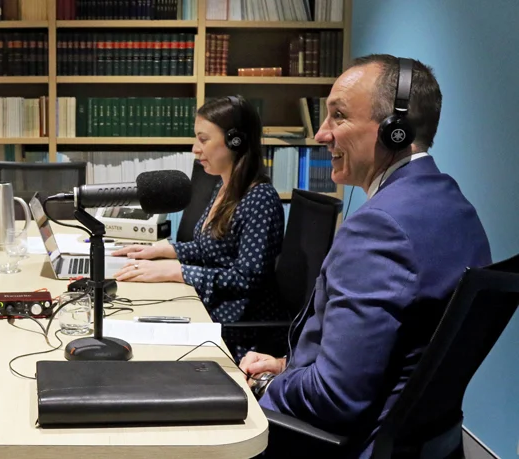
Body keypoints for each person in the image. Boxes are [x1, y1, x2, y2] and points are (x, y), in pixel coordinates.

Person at [239, 55, 492, 458]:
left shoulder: (380, 228)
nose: (322, 135)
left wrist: (264, 387)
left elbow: (335, 398)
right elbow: (389, 358)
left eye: (338, 117)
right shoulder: (456, 207)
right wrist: (289, 366)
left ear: (395, 131)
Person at [112, 96, 286, 359]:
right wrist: (166, 250)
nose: (195, 148)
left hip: (236, 330)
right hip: (209, 308)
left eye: (204, 139)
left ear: (234, 141)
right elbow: (212, 249)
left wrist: (178, 271)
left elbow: (246, 279)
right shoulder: (224, 186)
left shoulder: (260, 199)